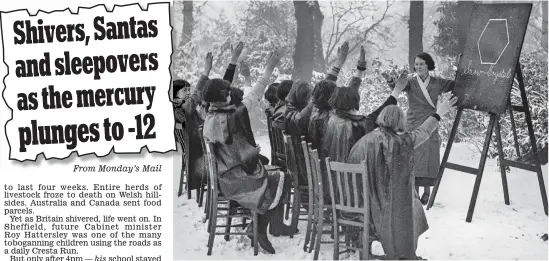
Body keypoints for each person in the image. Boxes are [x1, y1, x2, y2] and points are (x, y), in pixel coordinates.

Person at [346, 86, 458, 260]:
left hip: (356, 204)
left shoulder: (364, 140)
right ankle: (404, 254)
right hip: (378, 210)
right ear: (399, 122)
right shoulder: (399, 142)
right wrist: (439, 113)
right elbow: (424, 132)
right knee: (413, 208)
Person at [203, 49, 294, 254]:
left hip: (225, 174)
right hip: (236, 180)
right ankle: (259, 229)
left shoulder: (210, 112)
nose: (231, 94)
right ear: (223, 98)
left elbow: (249, 97)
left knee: (274, 172)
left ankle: (269, 226)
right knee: (281, 176)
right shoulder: (230, 118)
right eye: (228, 92)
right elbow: (254, 96)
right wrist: (269, 68)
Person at [383, 52, 456, 205]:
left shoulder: (437, 82)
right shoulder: (410, 81)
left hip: (431, 121)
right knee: (413, 155)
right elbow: (398, 86)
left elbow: (454, 85)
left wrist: (461, 74)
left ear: (428, 65)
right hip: (413, 122)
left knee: (429, 156)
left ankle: (427, 192)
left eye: (421, 64)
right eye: (416, 64)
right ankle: (414, 191)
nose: (418, 67)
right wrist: (390, 80)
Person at [174, 42, 243, 194]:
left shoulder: (188, 109)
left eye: (188, 90)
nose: (189, 93)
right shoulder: (179, 109)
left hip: (202, 154)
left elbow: (219, 92)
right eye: (184, 91)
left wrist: (232, 63)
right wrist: (206, 72)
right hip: (203, 159)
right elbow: (203, 96)